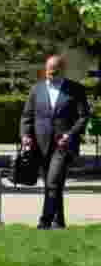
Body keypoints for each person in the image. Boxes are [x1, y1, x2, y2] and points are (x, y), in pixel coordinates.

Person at [20, 54, 91, 230]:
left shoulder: (76, 90)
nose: (51, 76)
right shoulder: (36, 90)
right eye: (48, 73)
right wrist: (25, 136)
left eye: (55, 73)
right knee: (53, 185)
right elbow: (27, 117)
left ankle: (44, 222)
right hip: (41, 145)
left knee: (52, 182)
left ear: (63, 70)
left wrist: (71, 134)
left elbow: (83, 117)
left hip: (63, 145)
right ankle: (59, 222)